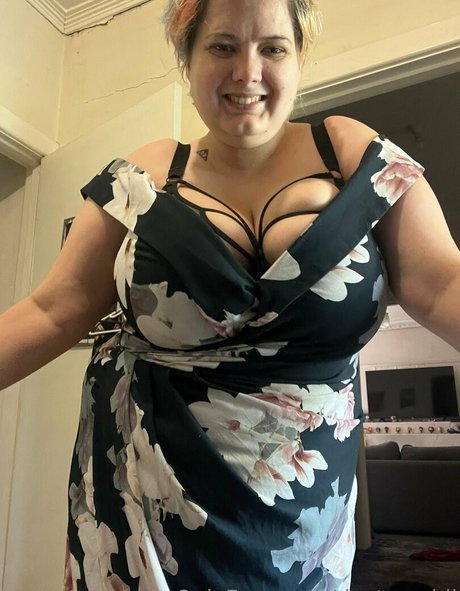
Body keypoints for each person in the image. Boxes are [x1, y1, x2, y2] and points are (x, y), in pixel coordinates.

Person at [1, 0, 460, 589]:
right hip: (148, 500)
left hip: (305, 518)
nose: (247, 72)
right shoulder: (142, 175)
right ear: (187, 60)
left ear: (298, 58)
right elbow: (52, 310)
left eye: (272, 48)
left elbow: (442, 284)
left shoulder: (350, 152)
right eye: (222, 47)